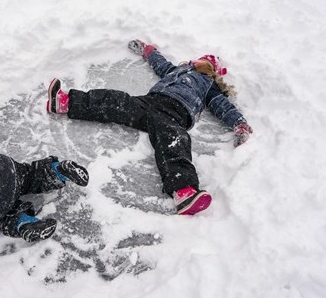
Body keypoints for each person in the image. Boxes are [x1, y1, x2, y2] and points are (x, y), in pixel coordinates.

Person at [46, 39, 252, 215]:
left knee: (175, 142)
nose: (198, 62)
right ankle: (65, 102)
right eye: (200, 59)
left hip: (174, 114)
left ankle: (184, 191)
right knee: (116, 101)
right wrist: (148, 50)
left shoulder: (209, 87)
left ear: (211, 69)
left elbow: (224, 107)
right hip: (150, 102)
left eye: (205, 61)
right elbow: (160, 64)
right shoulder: (176, 70)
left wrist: (239, 123)